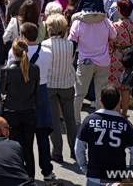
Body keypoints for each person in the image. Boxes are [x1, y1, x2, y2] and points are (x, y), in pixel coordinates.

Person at [75, 84, 133, 186]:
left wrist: (84, 167)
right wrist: (129, 171)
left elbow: (78, 148)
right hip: (116, 178)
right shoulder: (126, 124)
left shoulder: (89, 120)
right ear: (118, 102)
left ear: (100, 101)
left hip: (94, 176)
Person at [0, 38, 40, 179]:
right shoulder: (34, 69)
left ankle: (16, 176)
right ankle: (30, 176)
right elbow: (36, 88)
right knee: (28, 147)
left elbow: (2, 89)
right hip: (29, 111)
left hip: (12, 113)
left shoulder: (7, 71)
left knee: (14, 148)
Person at [42, 14, 77, 163]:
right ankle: (75, 151)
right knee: (70, 118)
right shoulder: (69, 44)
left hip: (50, 84)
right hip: (67, 82)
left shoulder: (44, 45)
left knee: (54, 120)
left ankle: (57, 152)